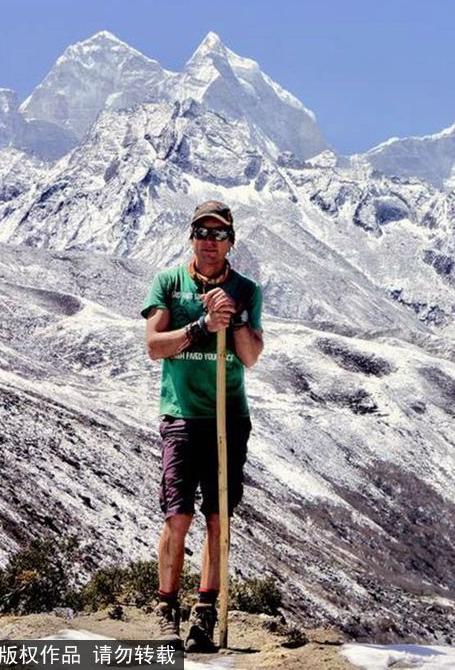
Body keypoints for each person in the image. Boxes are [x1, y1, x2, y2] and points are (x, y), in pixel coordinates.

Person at [140, 200, 264, 651]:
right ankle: (166, 609)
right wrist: (201, 326)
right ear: (191, 237)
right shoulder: (169, 284)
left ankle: (205, 613)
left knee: (218, 519)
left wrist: (232, 321)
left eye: (219, 234)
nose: (210, 242)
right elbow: (155, 346)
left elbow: (249, 356)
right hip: (181, 415)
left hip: (228, 417)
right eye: (202, 233)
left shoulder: (246, 290)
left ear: (231, 240)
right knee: (178, 515)